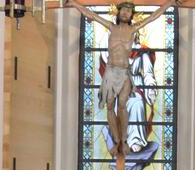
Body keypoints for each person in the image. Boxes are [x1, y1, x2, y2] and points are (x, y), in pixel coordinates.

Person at [63, 0, 176, 158]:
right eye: (123, 10)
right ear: (118, 12)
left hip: (124, 72)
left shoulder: (133, 29)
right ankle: (116, 141)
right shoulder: (111, 27)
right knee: (110, 106)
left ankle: (124, 140)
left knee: (122, 106)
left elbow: (153, 17)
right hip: (111, 72)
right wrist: (75, 4)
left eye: (129, 11)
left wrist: (169, 4)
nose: (125, 13)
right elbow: (91, 15)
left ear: (131, 15)